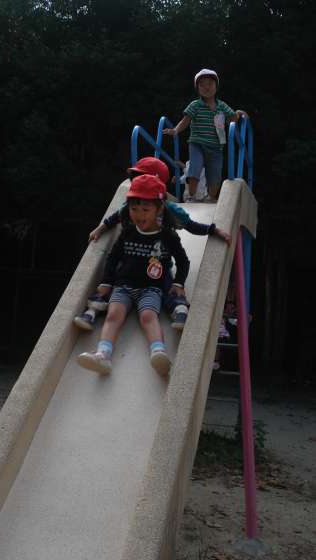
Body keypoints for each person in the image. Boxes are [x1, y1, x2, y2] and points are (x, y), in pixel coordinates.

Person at [74, 156, 230, 331]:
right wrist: (100, 229)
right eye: (135, 179)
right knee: (115, 276)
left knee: (165, 283)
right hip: (132, 259)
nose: (136, 183)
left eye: (141, 178)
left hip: (156, 263)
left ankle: (178, 307)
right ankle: (94, 308)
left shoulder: (169, 213)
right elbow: (115, 218)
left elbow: (191, 227)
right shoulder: (130, 208)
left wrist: (213, 230)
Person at [77, 174, 190, 378]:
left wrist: (178, 283)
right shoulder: (128, 231)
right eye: (134, 209)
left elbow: (183, 261)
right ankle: (102, 355)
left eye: (145, 210)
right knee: (113, 315)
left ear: (159, 209)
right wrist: (106, 282)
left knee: (148, 316)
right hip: (123, 286)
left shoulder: (167, 235)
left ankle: (158, 353)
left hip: (151, 288)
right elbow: (113, 257)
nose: (139, 214)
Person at [163, 68, 248, 201]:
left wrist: (239, 113)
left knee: (215, 177)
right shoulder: (195, 105)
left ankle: (210, 197)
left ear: (216, 86)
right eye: (202, 85)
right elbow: (186, 120)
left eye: (210, 84)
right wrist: (175, 130)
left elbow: (232, 119)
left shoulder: (222, 106)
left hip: (216, 147)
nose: (206, 87)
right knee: (194, 169)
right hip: (197, 144)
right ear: (198, 88)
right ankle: (191, 196)